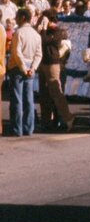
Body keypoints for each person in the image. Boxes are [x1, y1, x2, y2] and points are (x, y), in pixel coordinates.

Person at [7, 7, 43, 136]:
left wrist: (24, 68)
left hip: (18, 67)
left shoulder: (19, 33)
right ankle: (29, 127)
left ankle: (17, 128)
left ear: (22, 18)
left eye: (17, 16)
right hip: (30, 66)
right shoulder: (36, 35)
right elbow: (39, 54)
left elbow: (17, 52)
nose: (15, 19)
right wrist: (32, 68)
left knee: (17, 99)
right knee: (29, 98)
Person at [38, 10, 73, 132]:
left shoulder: (58, 31)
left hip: (53, 63)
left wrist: (43, 29)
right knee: (44, 94)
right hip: (42, 63)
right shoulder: (44, 30)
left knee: (56, 93)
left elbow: (46, 41)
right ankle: (46, 121)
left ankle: (68, 118)